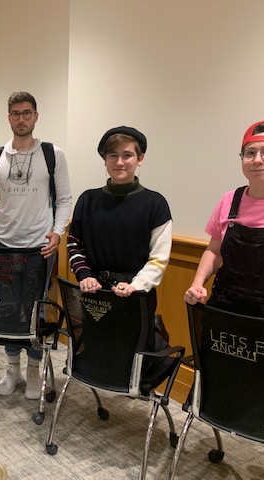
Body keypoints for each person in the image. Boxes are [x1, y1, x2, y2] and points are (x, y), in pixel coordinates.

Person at [0, 91, 72, 399]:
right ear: (9, 117)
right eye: (15, 113)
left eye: (27, 113)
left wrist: (57, 231)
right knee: (8, 309)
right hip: (3, 245)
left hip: (39, 248)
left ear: (36, 116)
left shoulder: (53, 154)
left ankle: (34, 372)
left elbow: (64, 199)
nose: (21, 118)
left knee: (35, 308)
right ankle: (12, 369)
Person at [185, 120, 264, 328]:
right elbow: (214, 250)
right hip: (225, 310)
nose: (257, 160)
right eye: (249, 153)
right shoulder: (230, 200)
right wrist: (197, 283)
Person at [68, 126, 172, 352]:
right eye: (112, 155)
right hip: (95, 295)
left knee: (133, 363)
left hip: (136, 297)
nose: (119, 162)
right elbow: (74, 244)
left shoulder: (155, 204)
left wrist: (136, 286)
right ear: (105, 160)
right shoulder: (88, 200)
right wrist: (84, 275)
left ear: (140, 158)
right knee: (98, 358)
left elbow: (159, 258)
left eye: (127, 155)